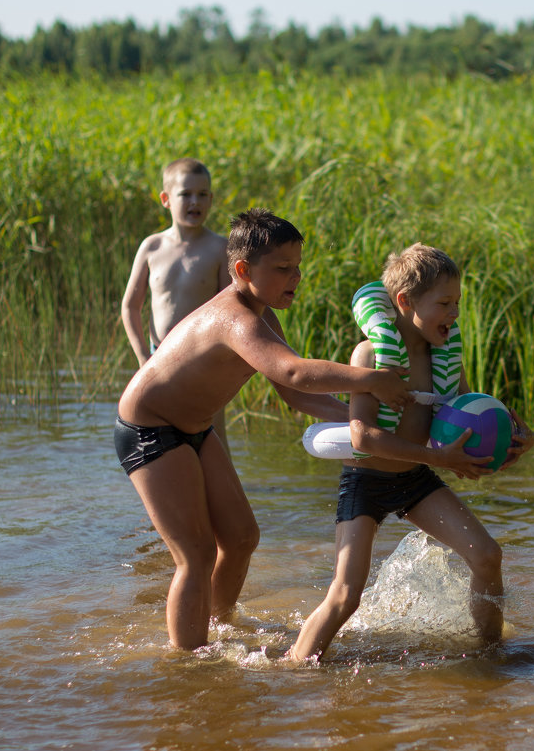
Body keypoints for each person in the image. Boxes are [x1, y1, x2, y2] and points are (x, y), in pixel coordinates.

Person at [114, 207, 415, 650]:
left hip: (195, 430)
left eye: (297, 268)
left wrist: (357, 419)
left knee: (240, 538)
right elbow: (293, 373)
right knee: (194, 555)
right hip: (150, 429)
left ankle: (218, 626)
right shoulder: (235, 318)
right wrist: (372, 380)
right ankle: (187, 664)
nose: (295, 278)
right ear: (242, 269)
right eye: (282, 269)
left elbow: (293, 394)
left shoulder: (261, 314)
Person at [287, 243, 534, 664]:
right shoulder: (370, 355)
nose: (454, 313)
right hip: (365, 482)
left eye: (457, 302)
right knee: (346, 596)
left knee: (488, 556)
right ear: (405, 302)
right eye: (444, 303)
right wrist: (441, 460)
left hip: (415, 479)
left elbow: (469, 420)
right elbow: (363, 436)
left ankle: (490, 658)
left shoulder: (446, 361)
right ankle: (292, 667)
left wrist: (515, 440)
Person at [121, 158, 233, 452]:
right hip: (158, 359)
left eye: (203, 194)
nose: (195, 201)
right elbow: (130, 307)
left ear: (211, 199)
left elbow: (230, 309)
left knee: (213, 437)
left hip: (204, 360)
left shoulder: (220, 248)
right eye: (185, 194)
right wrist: (143, 357)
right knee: (163, 437)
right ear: (166, 199)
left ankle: (223, 492)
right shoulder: (152, 247)